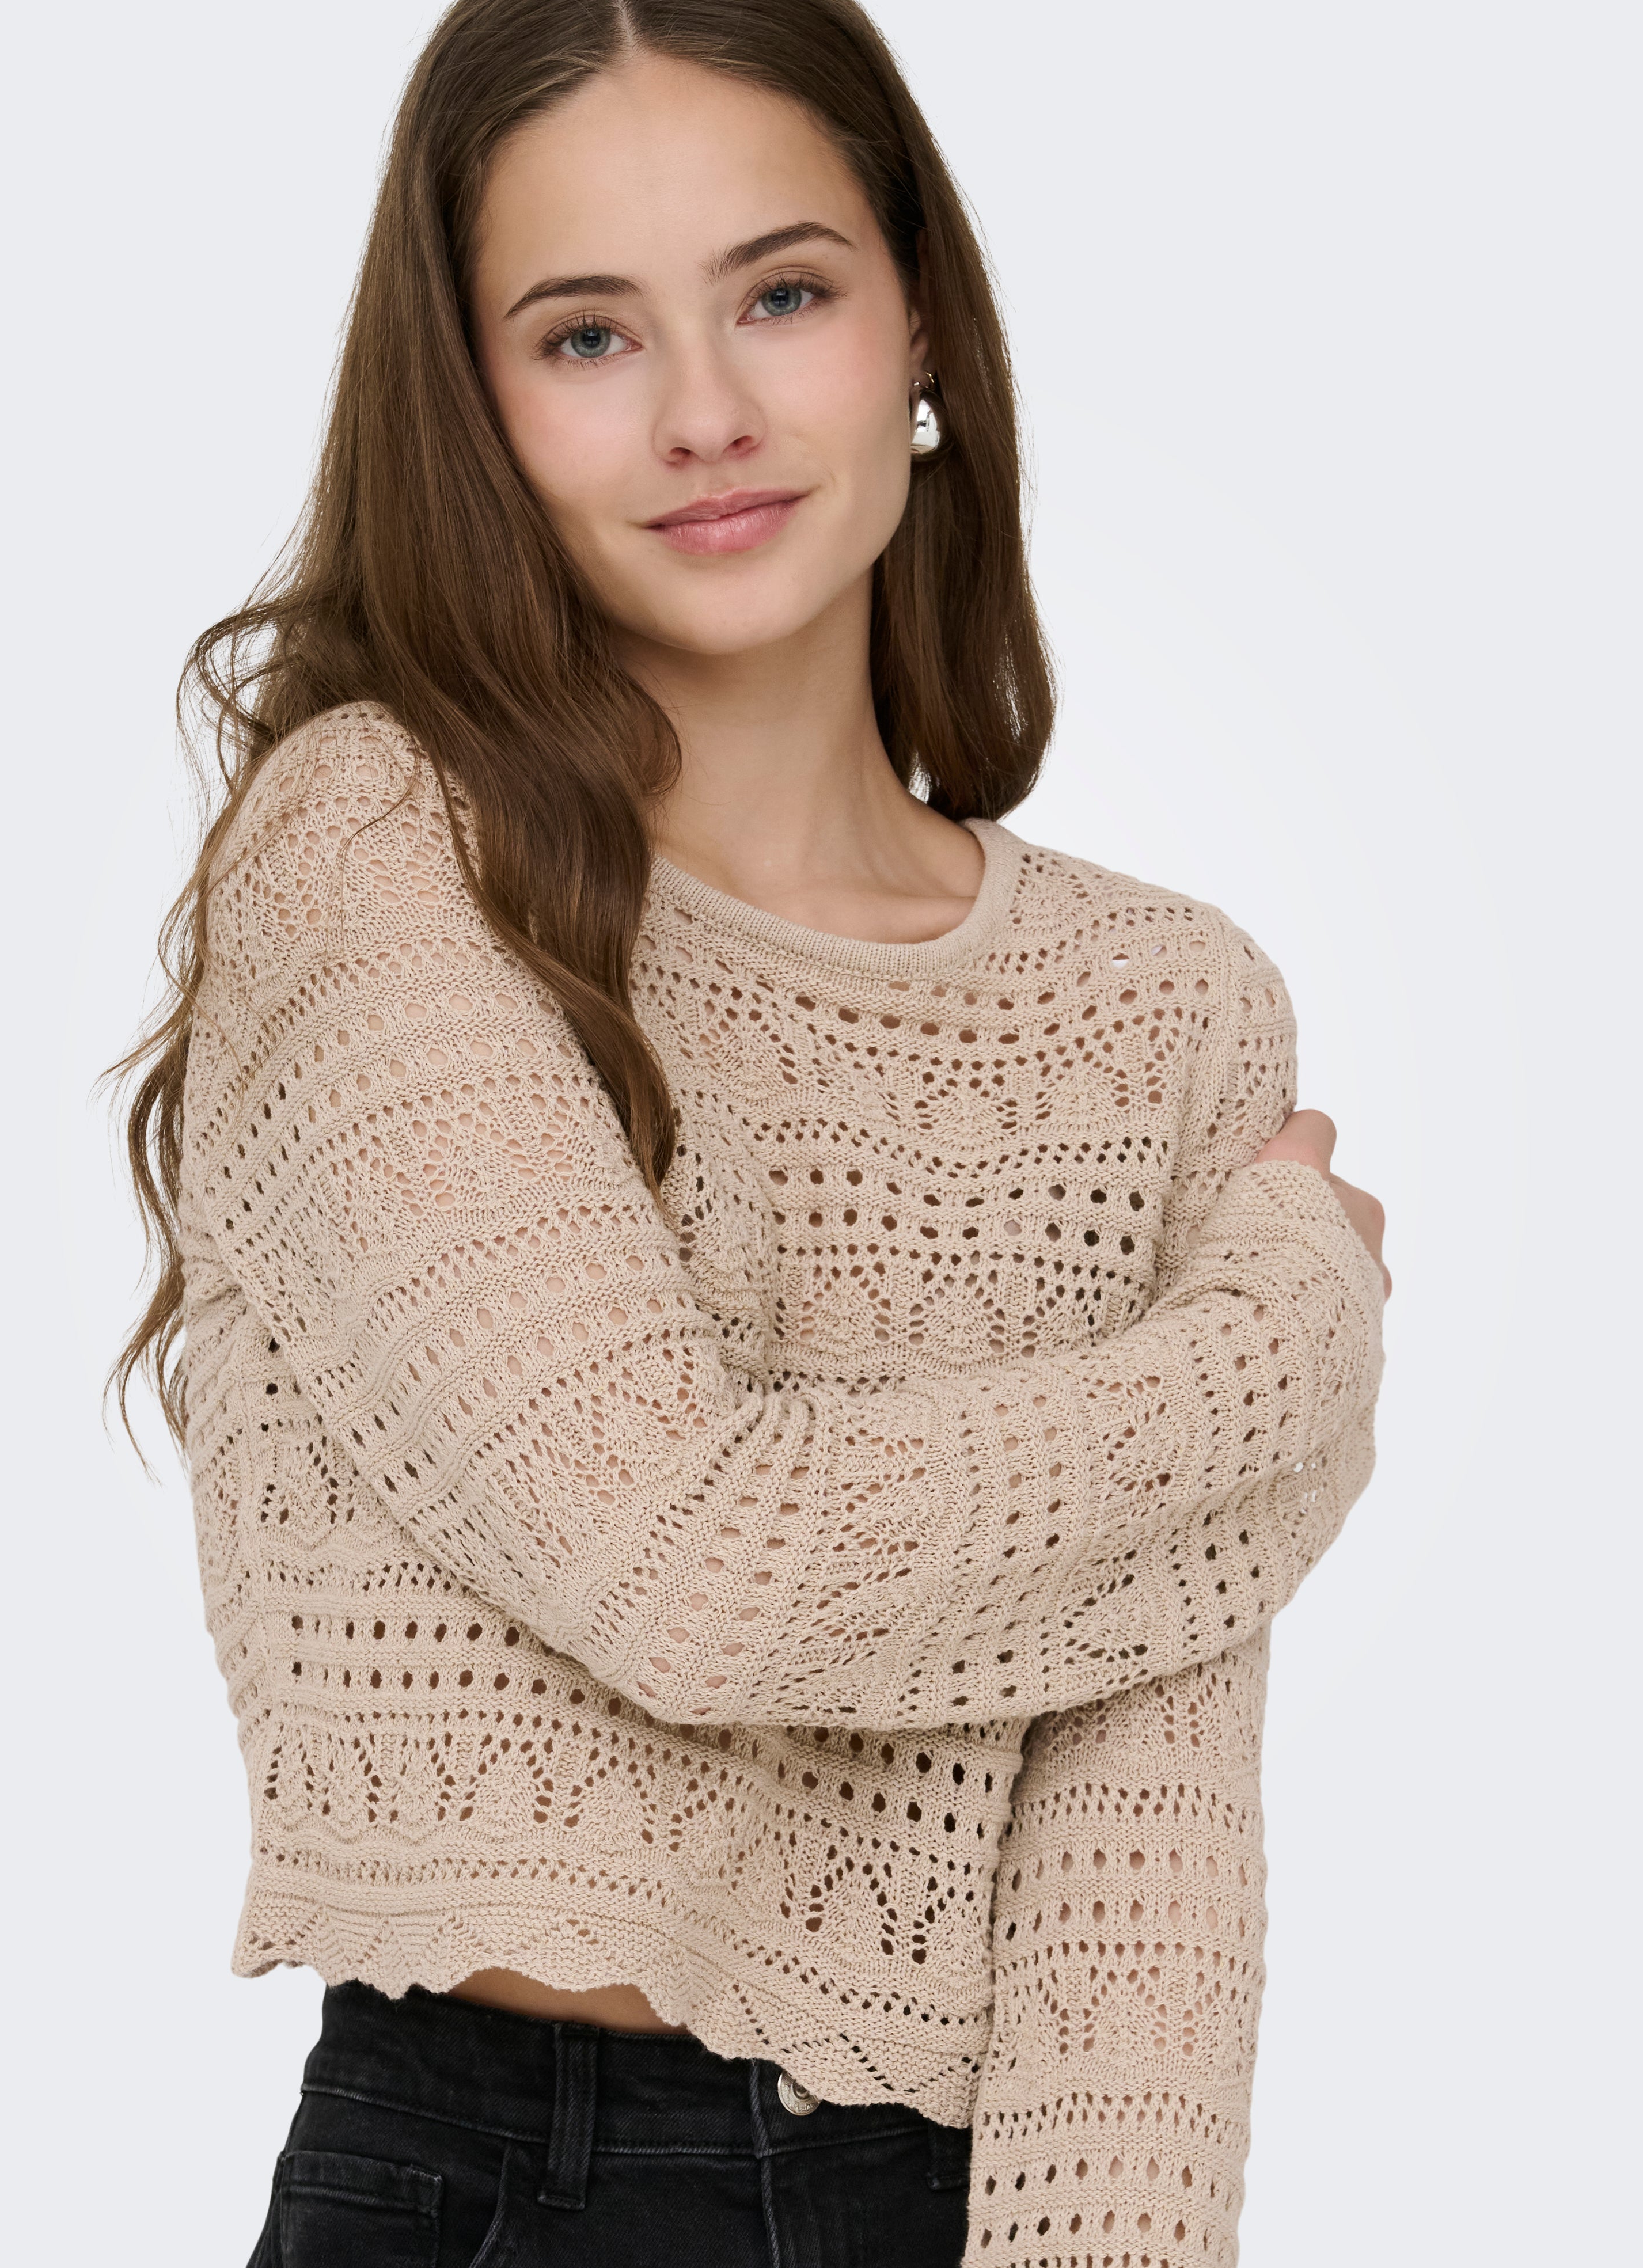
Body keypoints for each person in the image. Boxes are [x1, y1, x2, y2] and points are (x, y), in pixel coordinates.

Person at [117, 2, 1387, 2261]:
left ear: (921, 322)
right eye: (588, 333)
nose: (703, 411)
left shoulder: (1167, 1003)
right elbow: (692, 1571)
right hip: (495, 2177)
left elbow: (1141, 1866)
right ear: (477, 408)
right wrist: (1276, 1354)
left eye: (781, 293)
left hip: (950, 2182)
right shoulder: (382, 853)